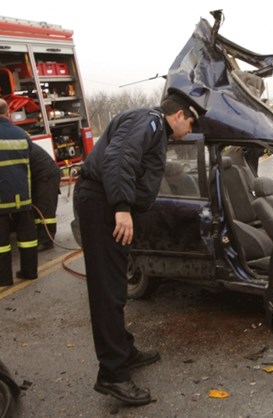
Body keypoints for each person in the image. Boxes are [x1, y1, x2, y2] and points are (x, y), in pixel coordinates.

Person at [74, 91, 202, 406]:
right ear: (179, 115)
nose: (191, 129)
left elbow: (144, 166)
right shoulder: (149, 122)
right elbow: (119, 158)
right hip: (102, 204)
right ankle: (113, 376)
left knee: (116, 286)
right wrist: (121, 207)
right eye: (191, 122)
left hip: (106, 203)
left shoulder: (154, 128)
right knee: (107, 291)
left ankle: (123, 350)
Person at [0, 98, 38, 285]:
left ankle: (4, 279)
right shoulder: (22, 134)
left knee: (1, 245)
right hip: (22, 196)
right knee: (28, 239)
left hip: (1, 199)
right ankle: (30, 272)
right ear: (8, 113)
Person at [29, 142, 62, 251]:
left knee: (45, 210)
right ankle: (41, 236)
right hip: (38, 176)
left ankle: (46, 241)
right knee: (37, 209)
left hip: (47, 175)